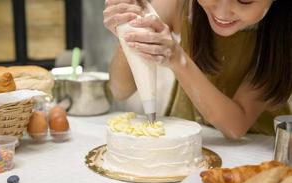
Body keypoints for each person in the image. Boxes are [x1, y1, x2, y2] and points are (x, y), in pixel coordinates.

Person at [103, 0, 292, 139]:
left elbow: (235, 126)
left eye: (245, 0)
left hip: (254, 155)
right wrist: (128, 31)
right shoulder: (180, 5)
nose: (223, 12)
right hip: (182, 144)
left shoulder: (283, 34)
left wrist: (177, 58)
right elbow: (120, 90)